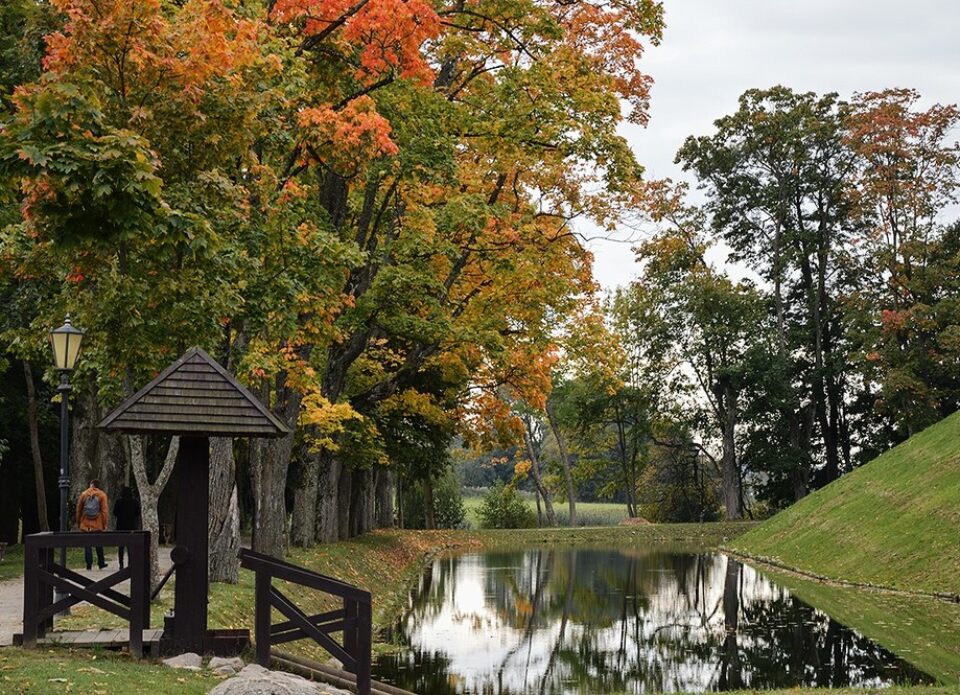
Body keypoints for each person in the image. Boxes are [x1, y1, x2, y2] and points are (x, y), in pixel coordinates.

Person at [76, 479, 109, 570]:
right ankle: (101, 562)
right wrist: (104, 524)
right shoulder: (102, 495)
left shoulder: (84, 494)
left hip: (85, 524)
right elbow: (104, 512)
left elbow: (78, 510)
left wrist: (79, 522)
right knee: (99, 543)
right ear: (99, 486)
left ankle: (89, 565)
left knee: (87, 545)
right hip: (97, 524)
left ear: (91, 485)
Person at [113, 486, 141, 569]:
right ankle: (130, 563)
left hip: (121, 526)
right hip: (131, 526)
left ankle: (121, 563)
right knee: (130, 546)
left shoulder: (119, 502)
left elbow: (115, 512)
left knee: (121, 546)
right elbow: (137, 513)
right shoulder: (134, 502)